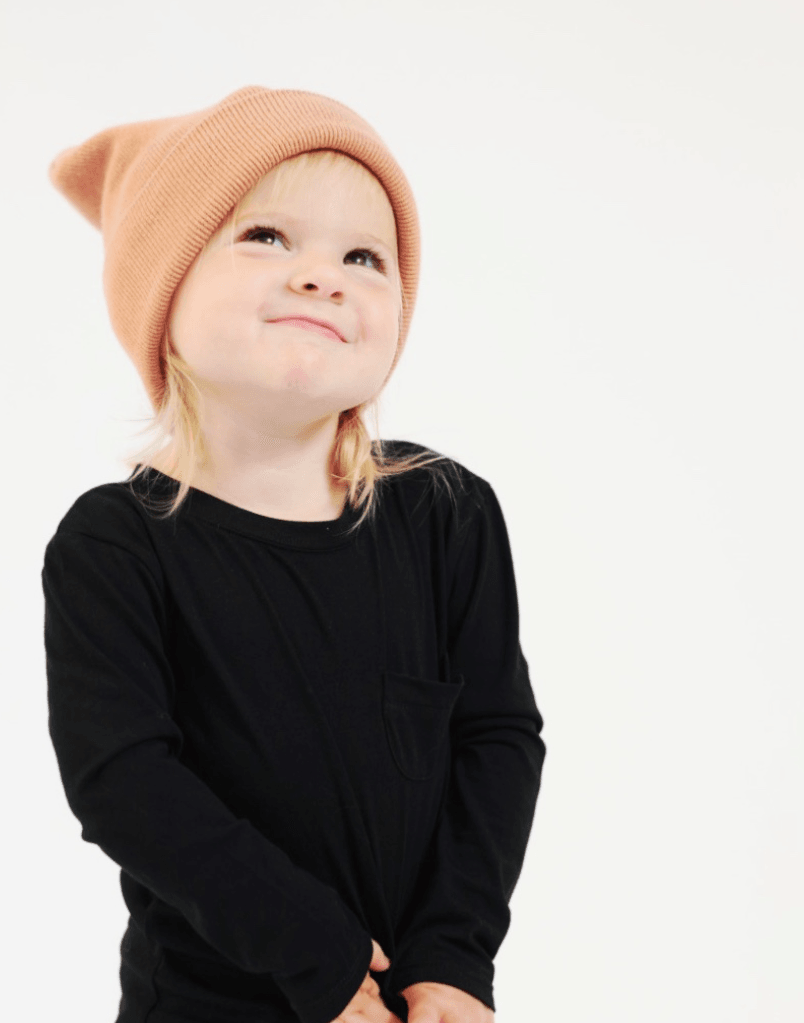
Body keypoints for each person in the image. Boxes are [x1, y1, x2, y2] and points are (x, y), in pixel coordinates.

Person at [41, 85, 546, 1023]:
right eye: (267, 237)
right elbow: (123, 782)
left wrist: (452, 956)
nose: (323, 277)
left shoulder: (445, 514)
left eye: (364, 256)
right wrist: (317, 952)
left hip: (415, 1004)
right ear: (163, 292)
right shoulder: (116, 544)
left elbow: (497, 740)